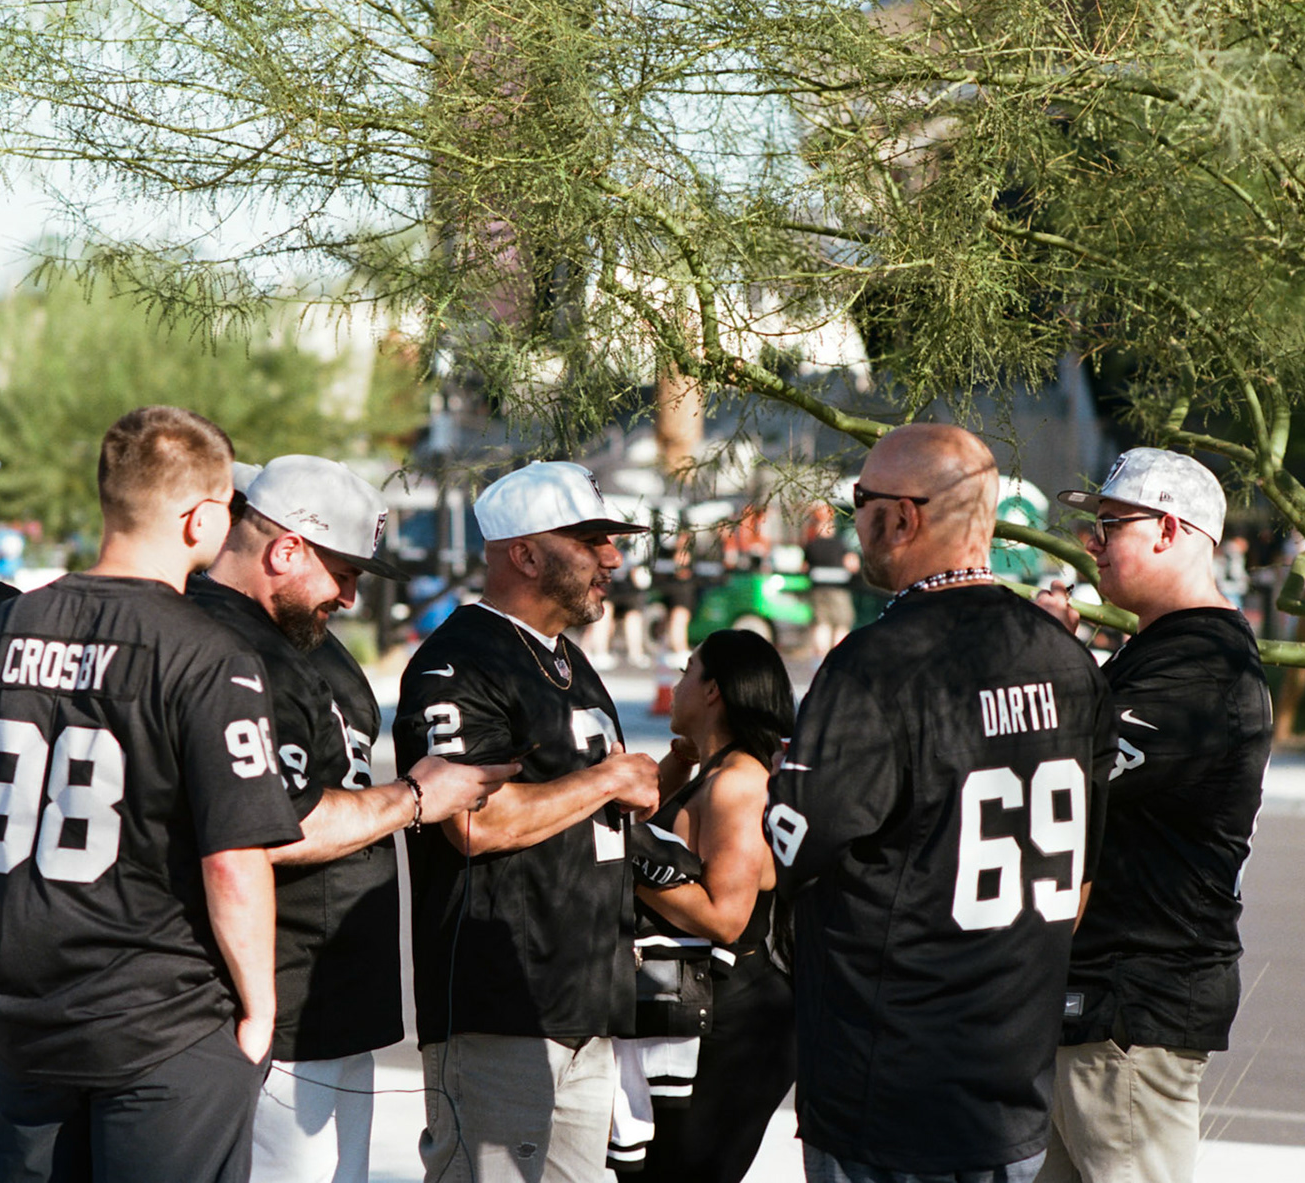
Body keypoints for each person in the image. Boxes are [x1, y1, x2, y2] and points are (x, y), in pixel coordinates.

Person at [0, 406, 302, 1183]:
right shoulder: (209, 655)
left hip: (33, 1023)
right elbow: (233, 860)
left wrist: (4, 955)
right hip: (166, 1028)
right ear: (200, 517)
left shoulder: (3, 630)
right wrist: (261, 1010)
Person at [766, 423, 1114, 1183]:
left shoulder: (876, 664)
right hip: (1011, 1079)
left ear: (901, 517)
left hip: (891, 1086)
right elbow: (1082, 878)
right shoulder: (1067, 659)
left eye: (860, 500)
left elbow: (794, 844)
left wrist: (779, 779)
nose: (854, 518)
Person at [187, 455, 519, 1183]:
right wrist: (418, 797)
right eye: (343, 573)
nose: (351, 595)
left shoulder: (299, 633)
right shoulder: (219, 644)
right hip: (271, 1006)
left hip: (336, 1001)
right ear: (285, 550)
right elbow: (277, 825)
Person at [394, 460, 663, 1183]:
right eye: (592, 540)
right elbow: (473, 822)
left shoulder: (569, 660)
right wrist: (609, 777)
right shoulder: (460, 660)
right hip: (501, 1007)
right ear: (526, 554)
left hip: (584, 999)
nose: (612, 558)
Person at [1035, 449, 1272, 1183]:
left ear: (1169, 529)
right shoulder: (1159, 650)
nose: (1092, 543)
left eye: (1110, 525)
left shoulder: (1205, 664)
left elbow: (1067, 770)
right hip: (1095, 1004)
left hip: (1134, 1007)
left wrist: (1047, 657)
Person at [618, 628, 797, 1183]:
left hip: (734, 1024)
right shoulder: (714, 772)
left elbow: (726, 917)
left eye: (687, 672)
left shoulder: (738, 784)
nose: (675, 685)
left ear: (714, 689)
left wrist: (620, 868)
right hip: (702, 1015)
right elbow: (651, 820)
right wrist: (683, 752)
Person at [803, 503, 858, 658]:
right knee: (841, 625)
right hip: (839, 589)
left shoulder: (811, 545)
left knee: (822, 625)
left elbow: (804, 567)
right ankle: (838, 658)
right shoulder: (840, 544)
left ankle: (821, 659)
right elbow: (852, 564)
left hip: (818, 589)